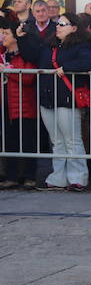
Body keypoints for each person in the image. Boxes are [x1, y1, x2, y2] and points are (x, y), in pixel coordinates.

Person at [16, 12, 91, 191]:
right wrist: (22, 37)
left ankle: (78, 177)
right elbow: (32, 55)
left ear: (74, 28)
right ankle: (58, 177)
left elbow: (90, 63)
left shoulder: (81, 45)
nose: (58, 27)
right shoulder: (49, 45)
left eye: (63, 24)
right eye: (58, 24)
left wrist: (66, 68)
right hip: (47, 97)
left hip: (66, 97)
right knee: (56, 141)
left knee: (71, 139)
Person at [0, 18, 39, 189]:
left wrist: (8, 71)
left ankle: (30, 176)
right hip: (6, 105)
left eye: (6, 33)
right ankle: (12, 176)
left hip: (24, 105)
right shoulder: (2, 54)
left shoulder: (25, 54)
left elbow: (29, 77)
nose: (2, 36)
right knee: (10, 141)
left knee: (28, 141)